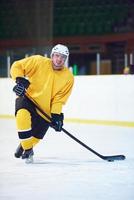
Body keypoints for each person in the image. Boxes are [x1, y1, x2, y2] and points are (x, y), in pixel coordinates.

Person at [10, 44, 74, 163]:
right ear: (52, 55)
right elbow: (17, 66)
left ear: (66, 59)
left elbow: (59, 99)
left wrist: (55, 115)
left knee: (36, 137)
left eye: (63, 57)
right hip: (27, 99)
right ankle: (28, 150)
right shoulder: (38, 61)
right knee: (22, 116)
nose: (59, 59)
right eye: (57, 56)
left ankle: (24, 145)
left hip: (45, 110)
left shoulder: (68, 77)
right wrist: (19, 79)